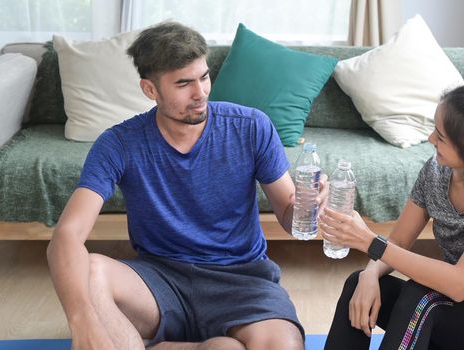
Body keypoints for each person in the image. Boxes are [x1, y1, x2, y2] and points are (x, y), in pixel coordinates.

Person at [47, 22, 327, 350]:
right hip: (159, 280)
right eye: (183, 84)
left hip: (242, 281)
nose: (200, 93)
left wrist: (309, 208)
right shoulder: (118, 143)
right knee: (91, 270)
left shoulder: (251, 127)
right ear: (150, 90)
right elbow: (66, 236)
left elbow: (288, 215)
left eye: (204, 77)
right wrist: (82, 324)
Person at [320, 84, 464, 350]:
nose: (431, 138)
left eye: (441, 137)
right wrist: (370, 273)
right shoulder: (434, 174)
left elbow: (459, 284)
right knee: (359, 284)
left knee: (425, 298)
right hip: (456, 321)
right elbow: (398, 240)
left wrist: (370, 242)